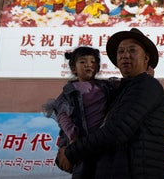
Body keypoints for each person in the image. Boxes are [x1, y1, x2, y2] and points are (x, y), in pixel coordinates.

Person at [57, 28, 164, 179]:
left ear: (146, 58)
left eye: (132, 50)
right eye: (121, 52)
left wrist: (71, 152)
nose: (125, 55)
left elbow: (117, 131)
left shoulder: (146, 85)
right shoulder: (116, 90)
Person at [43, 47, 118, 179]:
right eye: (83, 62)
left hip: (102, 142)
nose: (89, 64)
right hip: (80, 142)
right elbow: (62, 117)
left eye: (93, 61)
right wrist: (73, 137)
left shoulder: (107, 86)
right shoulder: (68, 92)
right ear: (73, 68)